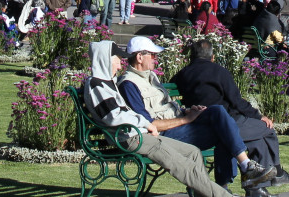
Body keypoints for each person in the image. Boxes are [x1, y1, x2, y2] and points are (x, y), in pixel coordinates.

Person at [116, 37, 276, 195]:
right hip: (164, 135)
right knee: (224, 131)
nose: (155, 59)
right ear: (139, 57)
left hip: (179, 124)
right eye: (152, 55)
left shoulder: (151, 77)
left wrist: (187, 111)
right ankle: (236, 176)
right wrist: (186, 119)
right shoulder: (129, 84)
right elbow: (148, 124)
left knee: (218, 112)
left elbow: (165, 106)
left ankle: (237, 174)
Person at [82, 42, 240, 197]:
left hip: (139, 134)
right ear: (105, 60)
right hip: (131, 137)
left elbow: (121, 114)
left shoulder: (108, 83)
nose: (119, 66)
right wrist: (146, 123)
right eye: (117, 61)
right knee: (183, 165)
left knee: (193, 152)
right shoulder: (97, 85)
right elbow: (115, 117)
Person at [174, 38, 289, 188]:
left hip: (199, 123)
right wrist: (259, 116)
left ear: (191, 57)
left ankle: (256, 189)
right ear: (212, 57)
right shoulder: (219, 72)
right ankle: (276, 173)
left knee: (256, 141)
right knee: (266, 129)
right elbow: (237, 102)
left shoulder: (182, 74)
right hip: (225, 122)